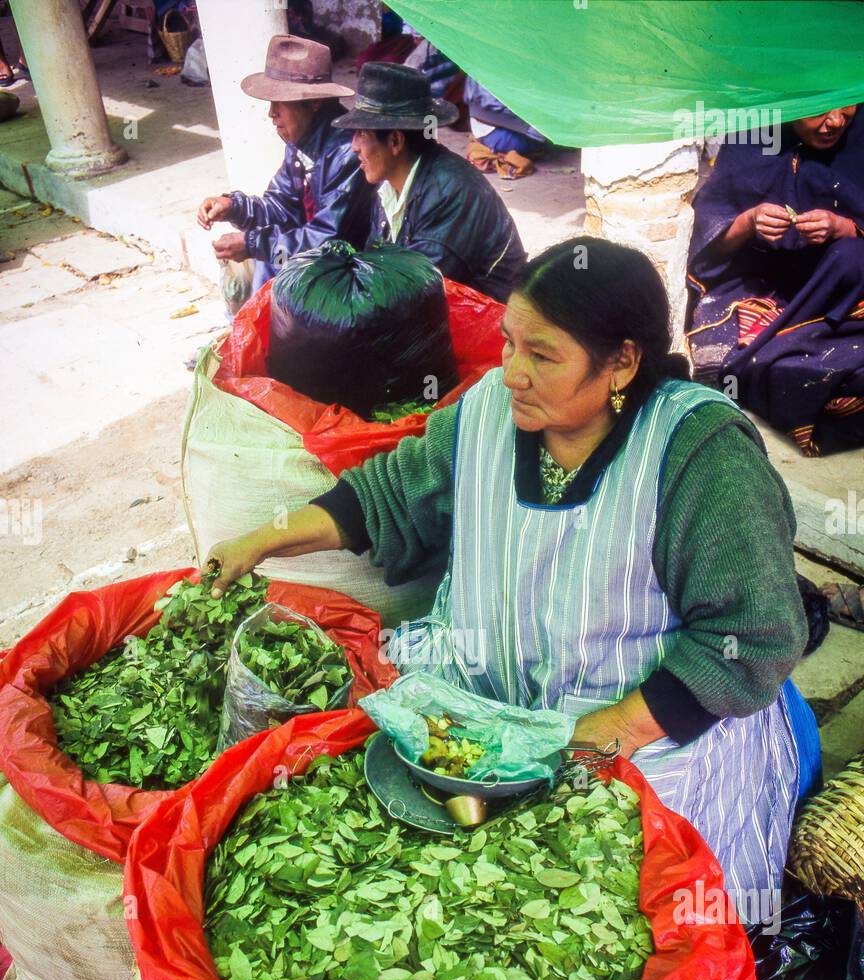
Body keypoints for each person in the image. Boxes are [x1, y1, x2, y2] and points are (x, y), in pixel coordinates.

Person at [207, 237, 813, 920]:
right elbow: (388, 495)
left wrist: (602, 736)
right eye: (507, 344)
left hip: (641, 727)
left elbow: (754, 637)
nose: (511, 373)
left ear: (622, 362)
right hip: (485, 700)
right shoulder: (488, 411)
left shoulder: (697, 456)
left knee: (604, 902)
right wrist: (260, 541)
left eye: (543, 355)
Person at [687, 106, 864, 457]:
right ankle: (779, 349)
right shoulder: (755, 135)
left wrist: (845, 228)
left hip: (838, 291)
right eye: (819, 111)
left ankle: (772, 349)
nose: (835, 122)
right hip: (762, 282)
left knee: (851, 257)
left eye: (846, 108)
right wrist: (750, 221)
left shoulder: (858, 137)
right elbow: (710, 246)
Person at [332, 62, 526, 303]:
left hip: (493, 320)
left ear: (395, 141)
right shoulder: (387, 188)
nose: (354, 146)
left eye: (362, 134)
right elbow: (379, 268)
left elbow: (416, 290)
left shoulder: (451, 191)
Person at [197, 36, 373, 293]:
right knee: (262, 261)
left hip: (351, 268)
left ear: (314, 102)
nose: (271, 113)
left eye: (281, 102)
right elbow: (282, 207)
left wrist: (253, 243)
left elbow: (328, 238)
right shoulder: (302, 142)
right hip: (319, 258)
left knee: (267, 260)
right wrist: (233, 206)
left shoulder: (347, 152)